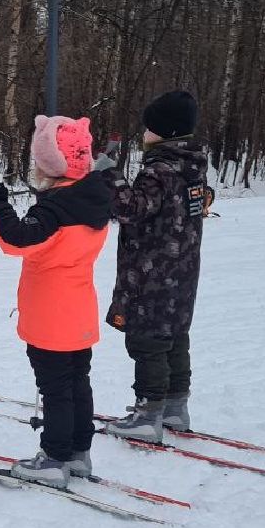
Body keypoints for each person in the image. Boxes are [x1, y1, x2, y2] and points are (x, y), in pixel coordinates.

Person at [0, 115, 112, 484]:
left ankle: (54, 456)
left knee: (56, 387)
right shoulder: (91, 198)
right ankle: (78, 453)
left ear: (52, 163)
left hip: (52, 317)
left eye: (40, 160)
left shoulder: (57, 208)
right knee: (76, 382)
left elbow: (18, 239)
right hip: (79, 311)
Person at [99, 90, 210, 444]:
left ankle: (149, 413)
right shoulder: (193, 168)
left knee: (148, 339)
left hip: (151, 274)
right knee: (174, 336)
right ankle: (176, 407)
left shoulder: (158, 171)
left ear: (164, 132)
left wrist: (109, 176)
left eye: (148, 129)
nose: (143, 134)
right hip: (183, 272)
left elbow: (129, 209)